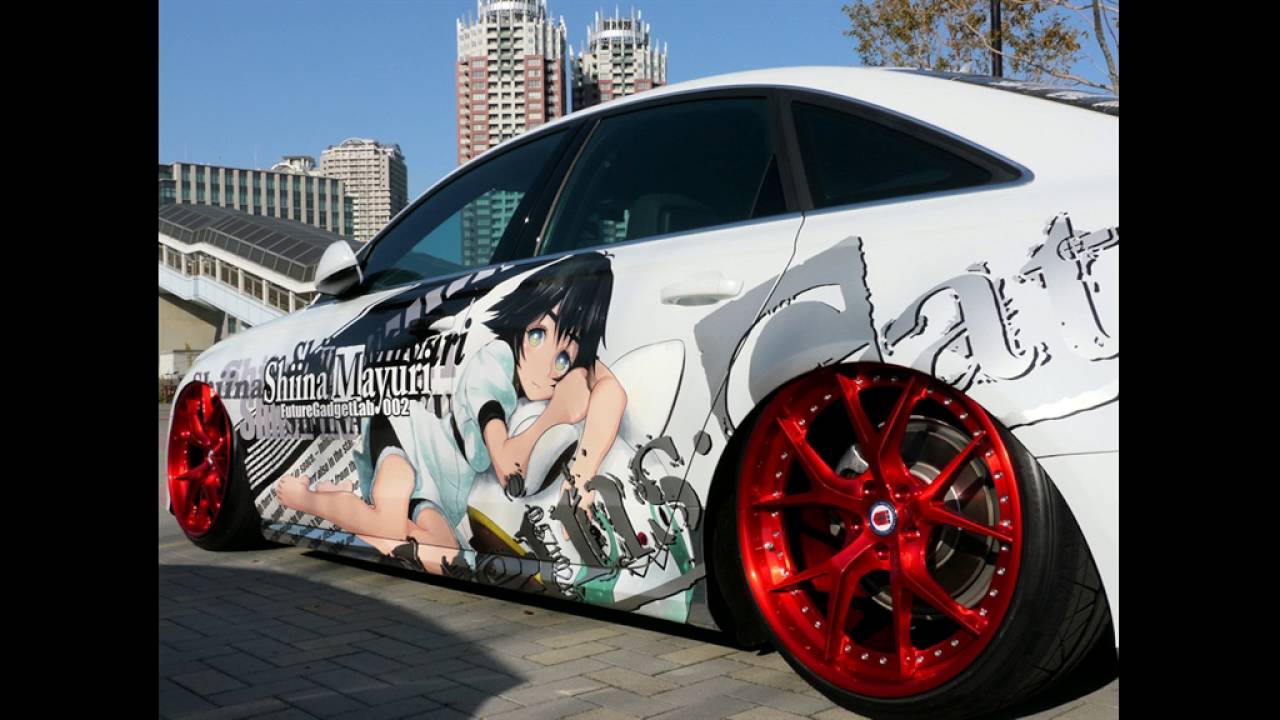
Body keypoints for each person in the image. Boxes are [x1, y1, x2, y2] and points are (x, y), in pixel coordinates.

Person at [277, 252, 627, 574]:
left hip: (450, 482)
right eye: (537, 335)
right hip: (411, 434)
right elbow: (508, 468)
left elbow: (611, 390)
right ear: (521, 324)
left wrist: (581, 480)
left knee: (444, 557)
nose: (547, 367)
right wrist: (556, 414)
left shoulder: (556, 369)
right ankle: (311, 501)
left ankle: (348, 509)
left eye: (564, 358)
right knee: (389, 521)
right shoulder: (494, 362)